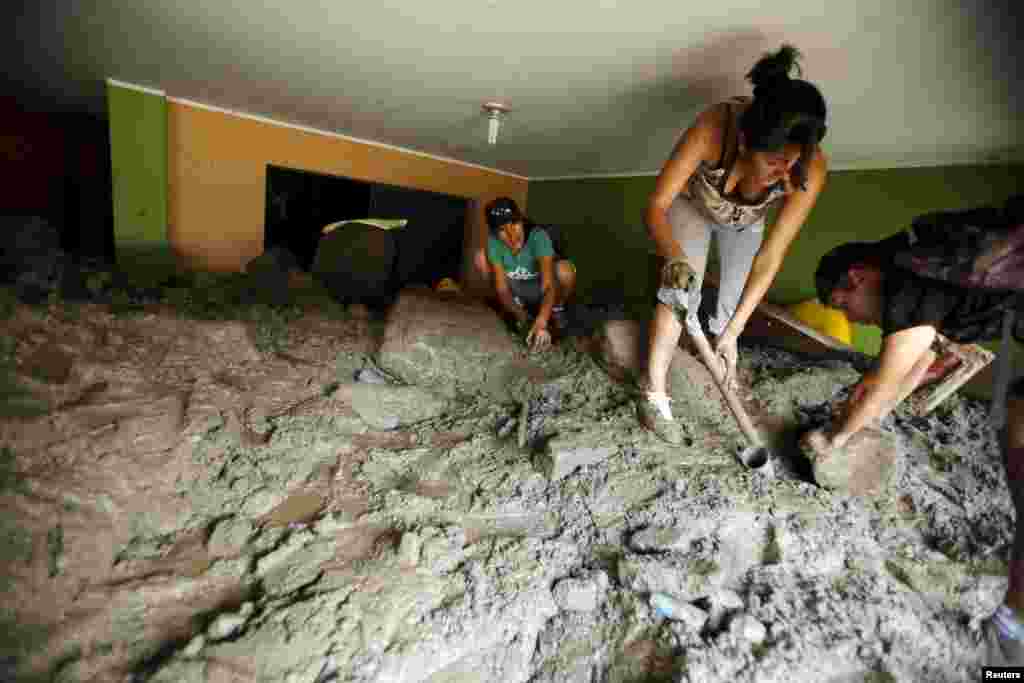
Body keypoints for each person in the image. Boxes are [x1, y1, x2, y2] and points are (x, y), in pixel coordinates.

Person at [807, 236, 1024, 666]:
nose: (851, 317)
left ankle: (1011, 635)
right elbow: (908, 371)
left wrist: (833, 441)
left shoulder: (907, 286)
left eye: (842, 304)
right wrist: (864, 422)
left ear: (858, 277)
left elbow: (885, 381)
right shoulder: (922, 273)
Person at [639, 44, 829, 444]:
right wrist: (675, 259)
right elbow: (656, 205)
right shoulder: (713, 129)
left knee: (730, 313)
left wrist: (736, 328)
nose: (784, 174)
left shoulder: (808, 170)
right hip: (693, 206)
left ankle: (721, 353)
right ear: (745, 142)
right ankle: (654, 394)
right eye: (775, 163)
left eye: (792, 163)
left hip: (747, 224)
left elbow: (772, 255)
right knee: (679, 295)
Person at [484, 197, 576, 351]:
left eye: (514, 224)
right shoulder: (493, 242)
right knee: (480, 257)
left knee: (565, 270)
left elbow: (549, 285)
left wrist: (541, 321)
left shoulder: (538, 236)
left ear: (522, 220)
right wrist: (524, 320)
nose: (511, 235)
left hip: (539, 288)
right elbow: (502, 289)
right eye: (502, 230)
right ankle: (516, 307)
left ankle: (557, 308)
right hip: (516, 287)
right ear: (495, 232)